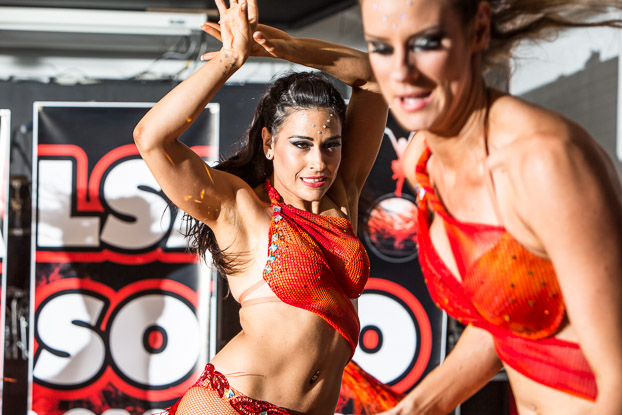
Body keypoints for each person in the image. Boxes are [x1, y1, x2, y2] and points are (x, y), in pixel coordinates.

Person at [358, 0, 622, 414]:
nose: (401, 72)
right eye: (381, 47)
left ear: (479, 29)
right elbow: (500, 321)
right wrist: (415, 408)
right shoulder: (423, 162)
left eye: (426, 42)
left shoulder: (544, 164)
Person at [133, 0, 389, 413]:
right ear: (269, 143)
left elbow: (375, 79)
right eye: (301, 145)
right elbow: (151, 139)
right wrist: (231, 59)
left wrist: (288, 48)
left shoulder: (343, 195)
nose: (318, 162)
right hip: (235, 405)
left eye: (331, 145)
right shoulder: (240, 208)